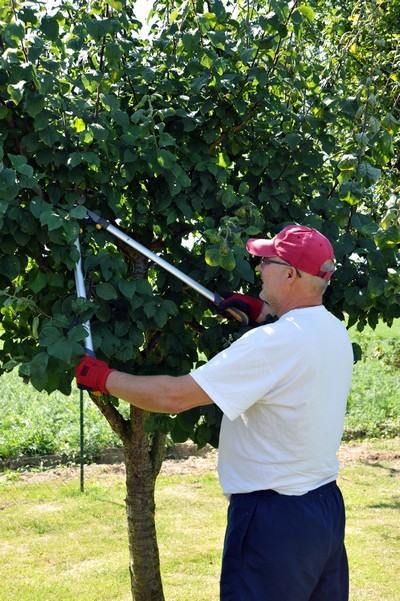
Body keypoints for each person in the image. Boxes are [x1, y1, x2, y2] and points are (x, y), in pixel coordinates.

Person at [76, 224, 354, 601]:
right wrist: (262, 314)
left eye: (266, 261)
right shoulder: (333, 330)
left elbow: (174, 397)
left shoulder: (273, 344)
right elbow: (294, 350)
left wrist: (104, 378)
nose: (258, 268)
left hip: (273, 522)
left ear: (290, 274)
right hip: (323, 511)